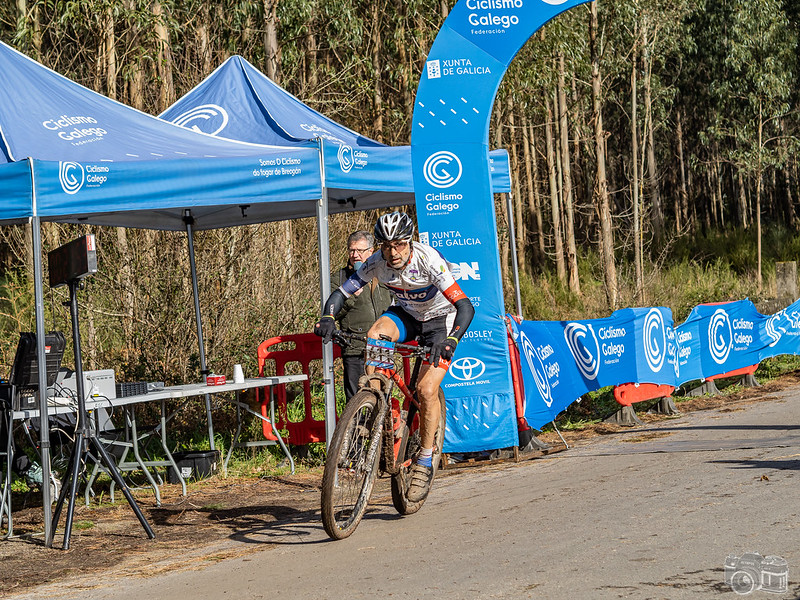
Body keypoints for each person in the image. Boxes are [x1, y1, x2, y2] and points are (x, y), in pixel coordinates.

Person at [314, 211, 474, 503]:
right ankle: (376, 398)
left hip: (441, 320)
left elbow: (465, 307)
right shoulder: (376, 262)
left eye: (399, 244)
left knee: (426, 391)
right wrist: (327, 316)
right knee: (377, 332)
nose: (392, 251)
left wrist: (451, 340)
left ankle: (425, 460)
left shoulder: (429, 260)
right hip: (409, 315)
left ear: (409, 242)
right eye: (386, 245)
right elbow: (341, 293)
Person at [332, 231, 393, 401]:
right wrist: (352, 297)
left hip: (381, 344)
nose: (355, 255)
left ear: (371, 251)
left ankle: (382, 427)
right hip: (355, 347)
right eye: (351, 250)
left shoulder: (383, 274)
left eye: (360, 250)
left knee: (382, 394)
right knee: (356, 400)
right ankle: (357, 428)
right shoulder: (340, 278)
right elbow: (333, 313)